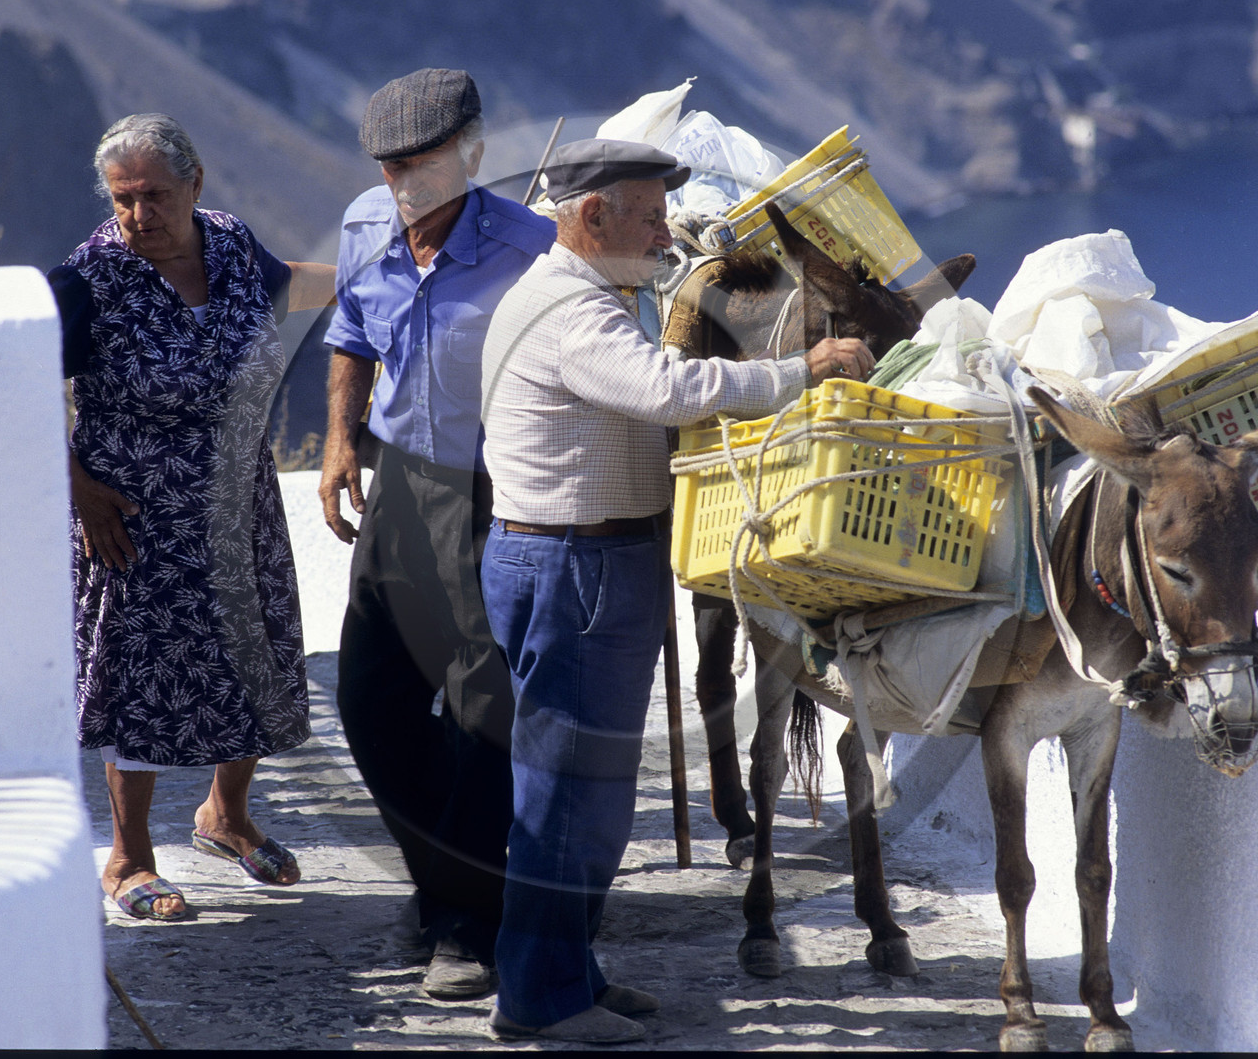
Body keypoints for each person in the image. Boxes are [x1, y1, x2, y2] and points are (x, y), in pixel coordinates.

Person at [477, 138, 875, 1044]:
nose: (666, 234)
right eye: (651, 217)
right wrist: (801, 371)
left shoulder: (579, 296)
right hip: (576, 569)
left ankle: (567, 970)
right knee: (569, 798)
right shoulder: (571, 310)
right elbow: (668, 388)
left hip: (575, 562)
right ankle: (541, 998)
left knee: (583, 792)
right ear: (592, 216)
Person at [49, 113, 337, 921]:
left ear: (195, 183)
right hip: (135, 513)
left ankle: (226, 816)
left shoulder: (230, 243)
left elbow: (288, 284)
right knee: (141, 670)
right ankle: (129, 857)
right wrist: (76, 487)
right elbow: (19, 378)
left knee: (251, 653)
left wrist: (393, 270)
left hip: (239, 501)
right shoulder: (89, 279)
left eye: (154, 195)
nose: (139, 214)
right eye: (124, 198)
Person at [318, 68, 556, 998]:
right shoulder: (363, 226)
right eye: (389, 167)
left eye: (420, 163)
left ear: (471, 153)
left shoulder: (532, 250)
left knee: (477, 710)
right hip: (398, 485)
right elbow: (351, 332)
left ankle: (467, 924)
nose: (401, 183)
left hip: (493, 493)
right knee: (369, 699)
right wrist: (339, 441)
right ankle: (448, 881)